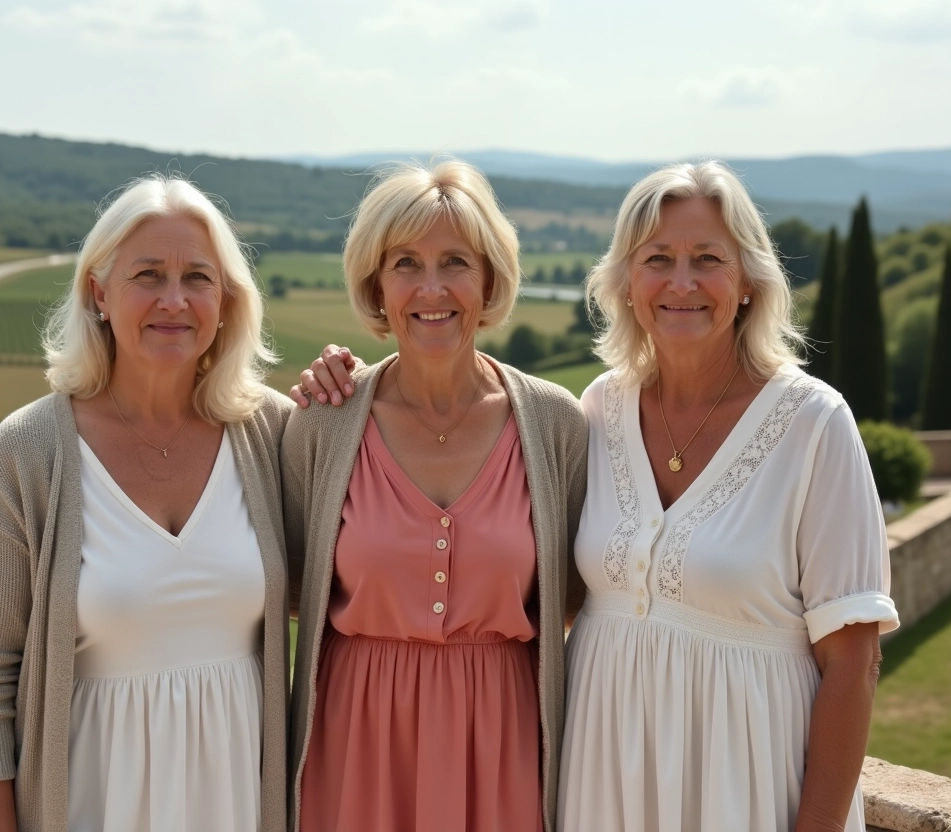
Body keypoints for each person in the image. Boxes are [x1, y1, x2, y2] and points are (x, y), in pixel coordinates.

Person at [296, 161, 900, 832]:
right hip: (598, 785)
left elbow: (854, 659)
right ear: (625, 282)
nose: (681, 282)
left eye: (707, 259)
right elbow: (278, 576)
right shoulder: (600, 414)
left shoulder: (810, 424)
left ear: (751, 279)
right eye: (657, 259)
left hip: (742, 780)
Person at [0, 175, 292, 832]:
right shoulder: (30, 451)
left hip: (240, 808)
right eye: (148, 275)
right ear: (99, 293)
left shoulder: (273, 434)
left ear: (226, 301)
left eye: (197, 277)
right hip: (92, 807)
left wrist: (352, 383)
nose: (174, 299)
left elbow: (363, 552)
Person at [282, 159, 587, 832]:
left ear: (489, 279)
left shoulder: (557, 424)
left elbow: (578, 594)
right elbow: (282, 587)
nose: (431, 288)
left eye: (455, 262)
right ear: (376, 285)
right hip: (355, 740)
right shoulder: (322, 422)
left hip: (504, 739)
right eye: (405, 264)